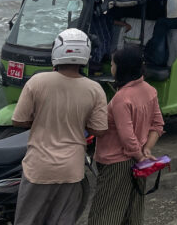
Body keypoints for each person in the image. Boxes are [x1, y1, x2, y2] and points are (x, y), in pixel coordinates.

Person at [12, 29, 109, 225]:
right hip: (71, 170)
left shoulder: (37, 81)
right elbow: (99, 130)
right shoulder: (94, 89)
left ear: (56, 51)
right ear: (86, 55)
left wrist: (40, 120)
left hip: (39, 167)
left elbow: (18, 120)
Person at [88, 45, 164, 225]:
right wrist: (146, 150)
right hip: (139, 161)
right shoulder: (149, 90)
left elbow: (127, 137)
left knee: (105, 215)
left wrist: (139, 156)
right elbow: (158, 124)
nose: (111, 68)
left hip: (117, 163)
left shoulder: (122, 98)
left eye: (113, 65)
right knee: (132, 211)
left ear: (122, 69)